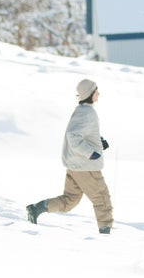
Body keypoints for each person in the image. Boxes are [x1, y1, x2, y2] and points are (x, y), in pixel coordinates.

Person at [26, 78, 114, 234]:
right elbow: (73, 136)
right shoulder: (87, 113)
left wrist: (99, 143)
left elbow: (84, 133)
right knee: (102, 199)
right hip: (86, 167)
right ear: (90, 94)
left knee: (70, 200)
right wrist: (90, 153)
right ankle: (105, 235)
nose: (98, 93)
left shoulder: (82, 111)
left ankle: (37, 209)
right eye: (96, 90)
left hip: (76, 166)